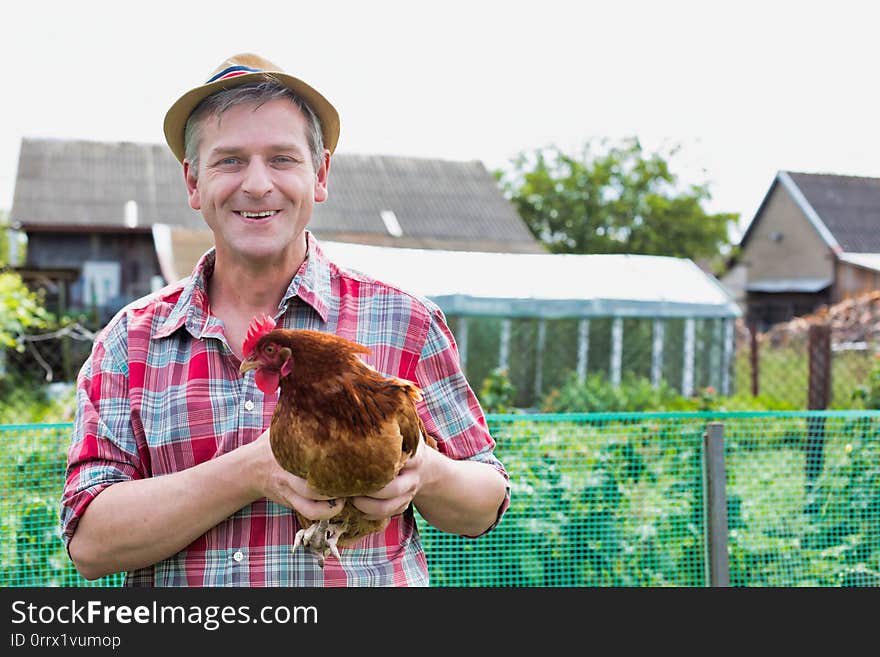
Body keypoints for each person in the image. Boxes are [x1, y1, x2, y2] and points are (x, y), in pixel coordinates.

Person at [60, 53, 510, 587]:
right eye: (229, 160)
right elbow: (89, 543)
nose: (256, 184)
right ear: (193, 181)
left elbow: (484, 503)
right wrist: (252, 470)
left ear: (318, 176)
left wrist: (424, 471)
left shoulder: (404, 320)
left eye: (281, 159)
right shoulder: (130, 342)